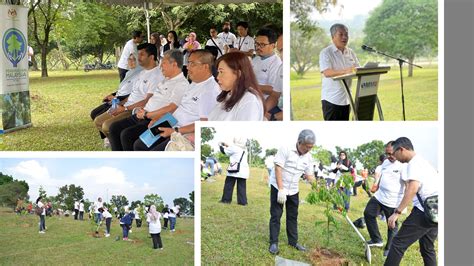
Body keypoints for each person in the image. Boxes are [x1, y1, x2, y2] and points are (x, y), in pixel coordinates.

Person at [133, 49, 220, 151]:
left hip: (182, 132)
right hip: (170, 123)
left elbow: (204, 124)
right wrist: (159, 119)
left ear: (205, 66)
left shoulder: (210, 90)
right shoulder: (194, 83)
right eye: (188, 63)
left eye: (192, 64)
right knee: (139, 144)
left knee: (144, 148)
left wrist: (175, 131)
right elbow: (178, 108)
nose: (187, 67)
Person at [108, 49, 189, 151]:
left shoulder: (181, 84)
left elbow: (172, 108)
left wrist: (148, 115)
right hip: (143, 113)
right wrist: (141, 110)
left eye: (163, 63)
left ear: (174, 64)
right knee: (114, 128)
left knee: (127, 135)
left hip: (154, 119)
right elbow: (153, 99)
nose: (160, 66)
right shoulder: (165, 80)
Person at [98, 43, 164, 149]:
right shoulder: (142, 73)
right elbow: (132, 94)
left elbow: (148, 100)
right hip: (127, 106)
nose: (138, 58)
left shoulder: (156, 75)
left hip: (136, 110)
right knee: (100, 121)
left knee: (111, 127)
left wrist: (124, 108)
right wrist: (119, 104)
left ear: (151, 57)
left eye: (141, 55)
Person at [385, 137, 438, 266]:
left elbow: (412, 188)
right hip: (437, 211)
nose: (394, 157)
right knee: (427, 247)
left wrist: (397, 212)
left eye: (394, 153)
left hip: (424, 211)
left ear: (402, 149)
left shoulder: (413, 163)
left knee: (398, 243)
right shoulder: (423, 162)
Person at [269, 129, 316, 255]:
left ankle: (293, 241)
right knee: (276, 215)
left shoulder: (309, 157)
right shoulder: (286, 149)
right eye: (307, 147)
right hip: (279, 186)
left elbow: (309, 175)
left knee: (292, 216)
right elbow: (278, 168)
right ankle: (273, 242)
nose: (308, 150)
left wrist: (319, 188)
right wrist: (281, 189)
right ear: (299, 142)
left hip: (294, 189)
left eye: (311, 148)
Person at [363, 141, 407, 257]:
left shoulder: (403, 165)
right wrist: (376, 185)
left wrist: (402, 207)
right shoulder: (386, 162)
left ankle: (389, 248)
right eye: (387, 154)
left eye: (391, 154)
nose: (389, 156)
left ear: (398, 150)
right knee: (368, 213)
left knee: (391, 224)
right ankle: (376, 239)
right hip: (379, 196)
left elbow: (408, 186)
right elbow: (382, 175)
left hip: (393, 201)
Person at [319, 23, 360, 120]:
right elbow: (327, 72)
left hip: (346, 99)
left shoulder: (350, 52)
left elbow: (358, 68)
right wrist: (346, 71)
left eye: (346, 34)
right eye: (341, 34)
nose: (344, 37)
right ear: (333, 36)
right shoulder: (326, 53)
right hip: (332, 100)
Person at [209, 52, 264, 121]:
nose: (218, 77)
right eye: (218, 72)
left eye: (221, 72)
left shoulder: (249, 100)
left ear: (238, 74)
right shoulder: (229, 94)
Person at [252, 28, 282, 102]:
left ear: (272, 45)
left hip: (264, 103)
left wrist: (250, 86)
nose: (258, 47)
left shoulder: (276, 63)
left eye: (262, 44)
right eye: (257, 44)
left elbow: (273, 90)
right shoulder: (256, 59)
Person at [219, 137, 249, 205]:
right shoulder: (245, 149)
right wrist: (226, 144)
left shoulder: (234, 148)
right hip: (243, 171)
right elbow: (233, 148)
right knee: (242, 187)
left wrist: (220, 145)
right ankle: (242, 202)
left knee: (229, 185)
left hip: (234, 169)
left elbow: (224, 151)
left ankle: (226, 200)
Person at [265, 33, 283, 121]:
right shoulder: (282, 68)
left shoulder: (276, 63)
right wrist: (263, 112)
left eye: (283, 49)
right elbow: (275, 95)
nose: (281, 54)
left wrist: (273, 117)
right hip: (276, 109)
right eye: (280, 50)